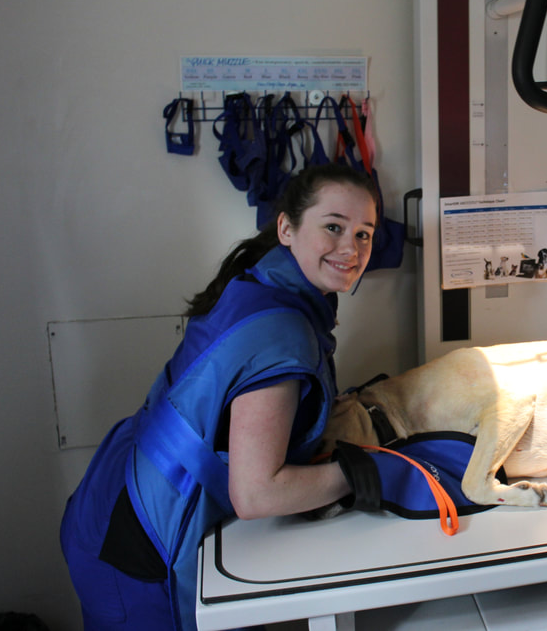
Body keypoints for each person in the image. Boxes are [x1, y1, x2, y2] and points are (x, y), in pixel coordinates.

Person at [60, 164, 378, 630]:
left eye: (365, 234)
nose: (351, 249)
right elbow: (255, 493)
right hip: (140, 544)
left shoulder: (261, 284)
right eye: (334, 227)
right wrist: (362, 474)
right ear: (286, 228)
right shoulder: (284, 332)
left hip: (115, 493)